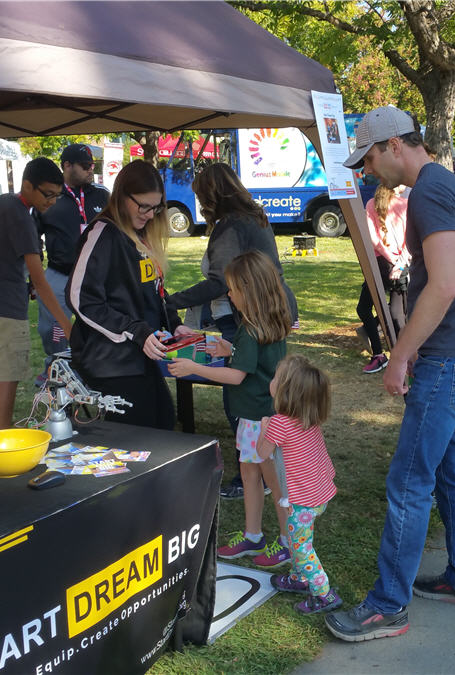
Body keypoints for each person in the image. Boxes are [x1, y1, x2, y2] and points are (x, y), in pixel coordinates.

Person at [326, 105, 455, 642]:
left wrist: (400, 354)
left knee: (408, 481)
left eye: (371, 157)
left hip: (452, 359)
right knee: (449, 469)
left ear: (395, 145)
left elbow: (444, 285)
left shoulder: (429, 191)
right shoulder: (443, 186)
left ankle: (387, 606)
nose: (369, 169)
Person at [167, 162, 299, 499]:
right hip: (275, 305)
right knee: (265, 380)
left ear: (212, 195)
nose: (199, 204)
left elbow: (218, 282)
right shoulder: (254, 217)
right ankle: (265, 462)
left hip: (247, 314)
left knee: (242, 393)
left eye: (200, 196)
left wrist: (173, 301)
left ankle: (253, 469)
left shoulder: (230, 226)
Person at [168, 251, 293, 568]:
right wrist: (228, 349)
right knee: (251, 474)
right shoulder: (263, 324)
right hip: (256, 417)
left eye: (233, 289)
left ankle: (288, 541)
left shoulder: (251, 330)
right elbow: (252, 363)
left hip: (259, 420)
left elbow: (237, 375)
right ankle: (254, 536)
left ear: (249, 291)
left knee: (274, 483)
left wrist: (193, 370)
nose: (228, 294)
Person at [67, 160, 188, 429]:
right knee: (141, 439)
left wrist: (175, 325)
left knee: (163, 425)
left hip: (138, 359)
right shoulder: (103, 233)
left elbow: (154, 290)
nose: (149, 214)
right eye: (143, 206)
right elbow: (80, 298)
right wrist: (135, 331)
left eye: (155, 208)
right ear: (122, 196)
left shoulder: (141, 235)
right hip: (111, 363)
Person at [0, 157, 71, 432]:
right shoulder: (23, 218)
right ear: (27, 185)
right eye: (47, 194)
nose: (51, 201)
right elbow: (40, 279)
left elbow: (3, 256)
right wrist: (66, 323)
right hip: (8, 309)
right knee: (8, 376)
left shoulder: (1, 203)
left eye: (57, 196)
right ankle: (2, 439)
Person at [262, 354, 342, 614]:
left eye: (275, 377)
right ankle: (298, 578)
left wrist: (264, 429)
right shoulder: (309, 417)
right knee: (301, 539)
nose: (271, 381)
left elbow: (262, 453)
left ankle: (323, 594)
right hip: (319, 494)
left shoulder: (278, 423)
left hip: (301, 501)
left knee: (302, 547)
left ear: (284, 389)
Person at [34, 144, 108, 376]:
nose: (90, 170)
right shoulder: (49, 198)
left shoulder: (101, 195)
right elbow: (32, 236)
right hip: (59, 275)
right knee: (55, 328)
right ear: (67, 165)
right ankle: (56, 371)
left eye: (92, 166)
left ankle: (94, 370)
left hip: (94, 277)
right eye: (85, 166)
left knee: (97, 325)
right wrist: (33, 277)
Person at [357, 185, 410, 374]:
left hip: (381, 263)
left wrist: (393, 260)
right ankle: (399, 358)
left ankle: (382, 355)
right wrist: (400, 262)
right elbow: (411, 240)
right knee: (398, 316)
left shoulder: (373, 203)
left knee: (369, 309)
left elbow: (374, 239)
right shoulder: (405, 204)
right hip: (393, 266)